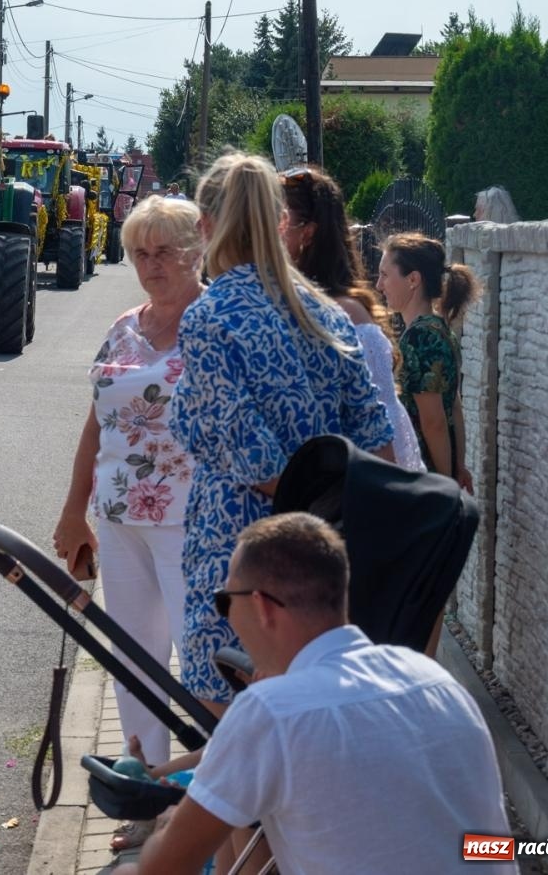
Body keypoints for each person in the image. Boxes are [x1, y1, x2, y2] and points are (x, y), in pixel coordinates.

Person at [136, 513, 514, 874]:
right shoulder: (438, 682)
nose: (227, 618)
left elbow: (163, 869)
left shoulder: (270, 711)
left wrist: (171, 822)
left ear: (262, 607)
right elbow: (485, 843)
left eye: (225, 602)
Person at [169, 153, 393, 714]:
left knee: (238, 735)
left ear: (205, 225)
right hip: (324, 558)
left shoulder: (209, 316)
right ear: (277, 223)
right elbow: (375, 439)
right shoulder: (326, 313)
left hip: (242, 555)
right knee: (313, 721)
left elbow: (260, 461)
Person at [53, 197, 201, 781]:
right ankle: (144, 789)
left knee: (199, 660)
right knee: (134, 659)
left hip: (192, 518)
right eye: (140, 253)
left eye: (164, 251)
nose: (151, 264)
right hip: (118, 518)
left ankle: (207, 800)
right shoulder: (122, 328)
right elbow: (97, 421)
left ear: (197, 249)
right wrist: (74, 510)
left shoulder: (213, 324)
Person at [281, 168, 424, 472]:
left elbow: (383, 428)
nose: (268, 231)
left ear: (307, 232)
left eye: (280, 220)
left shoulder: (346, 313)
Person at [376, 233, 479, 491]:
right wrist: (458, 465)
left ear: (413, 280)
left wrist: (443, 487)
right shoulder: (440, 329)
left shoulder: (419, 337)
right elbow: (454, 406)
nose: (379, 285)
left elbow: (433, 421)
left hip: (425, 480)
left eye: (385, 275)